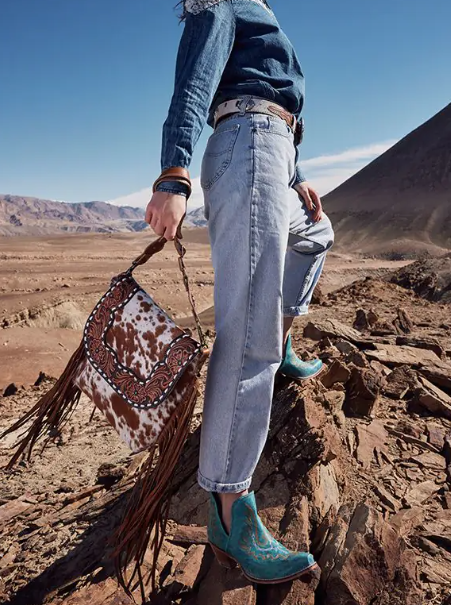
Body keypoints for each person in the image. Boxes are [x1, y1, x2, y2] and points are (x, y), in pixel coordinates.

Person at [145, 0, 334, 584]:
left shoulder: (257, 8)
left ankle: (277, 344)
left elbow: (275, 89)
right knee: (245, 332)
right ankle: (231, 510)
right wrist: (173, 173)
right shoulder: (223, 1)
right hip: (248, 144)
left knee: (317, 234)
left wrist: (296, 174)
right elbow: (195, 80)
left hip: (273, 152)